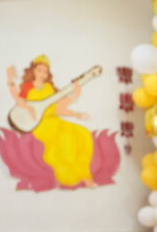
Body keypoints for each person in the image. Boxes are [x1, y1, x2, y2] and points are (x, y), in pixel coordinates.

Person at [7, 55, 95, 188]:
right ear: (33, 71)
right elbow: (19, 100)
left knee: (83, 133)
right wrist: (11, 79)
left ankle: (84, 172)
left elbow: (58, 108)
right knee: (67, 140)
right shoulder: (28, 87)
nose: (42, 74)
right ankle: (83, 176)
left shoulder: (49, 88)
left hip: (56, 121)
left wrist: (75, 107)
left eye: (45, 71)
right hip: (41, 125)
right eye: (39, 70)